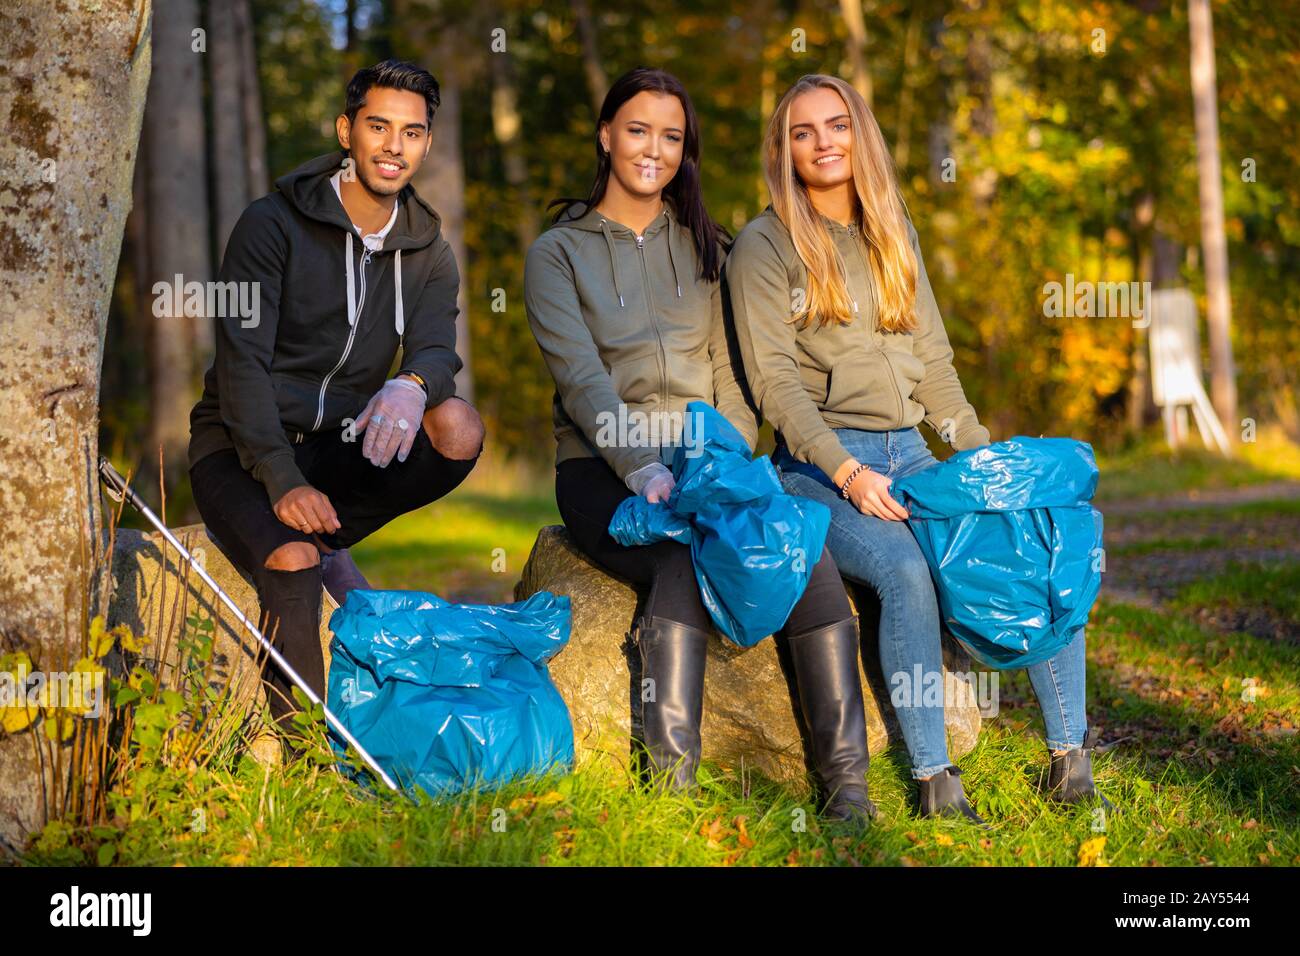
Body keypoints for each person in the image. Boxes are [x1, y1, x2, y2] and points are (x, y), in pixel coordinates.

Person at [725, 73, 1111, 823]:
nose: (822, 142)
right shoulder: (763, 245)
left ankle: (1071, 760)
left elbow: (933, 361)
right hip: (816, 468)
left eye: (836, 125)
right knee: (905, 571)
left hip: (913, 452)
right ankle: (936, 781)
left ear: (860, 133)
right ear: (784, 148)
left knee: (1027, 544)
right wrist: (844, 470)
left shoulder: (891, 221)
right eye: (802, 132)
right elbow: (775, 384)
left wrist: (983, 459)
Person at [524, 67, 877, 824]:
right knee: (681, 561)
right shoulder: (557, 254)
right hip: (603, 468)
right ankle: (671, 800)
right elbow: (585, 384)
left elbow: (729, 376)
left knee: (801, 557)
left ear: (685, 153)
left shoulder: (705, 247)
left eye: (672, 137)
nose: (654, 149)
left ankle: (848, 797)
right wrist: (643, 467)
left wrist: (727, 464)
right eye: (639, 129)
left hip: (707, 459)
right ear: (606, 134)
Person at [187, 60, 485, 748]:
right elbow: (241, 366)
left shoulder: (427, 249)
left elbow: (439, 351)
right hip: (237, 446)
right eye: (378, 126)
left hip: (342, 445)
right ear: (347, 130)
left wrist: (411, 388)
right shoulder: (272, 224)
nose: (393, 146)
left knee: (458, 426)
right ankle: (305, 759)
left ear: (427, 142)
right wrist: (282, 480)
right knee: (291, 559)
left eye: (412, 132)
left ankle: (328, 537)